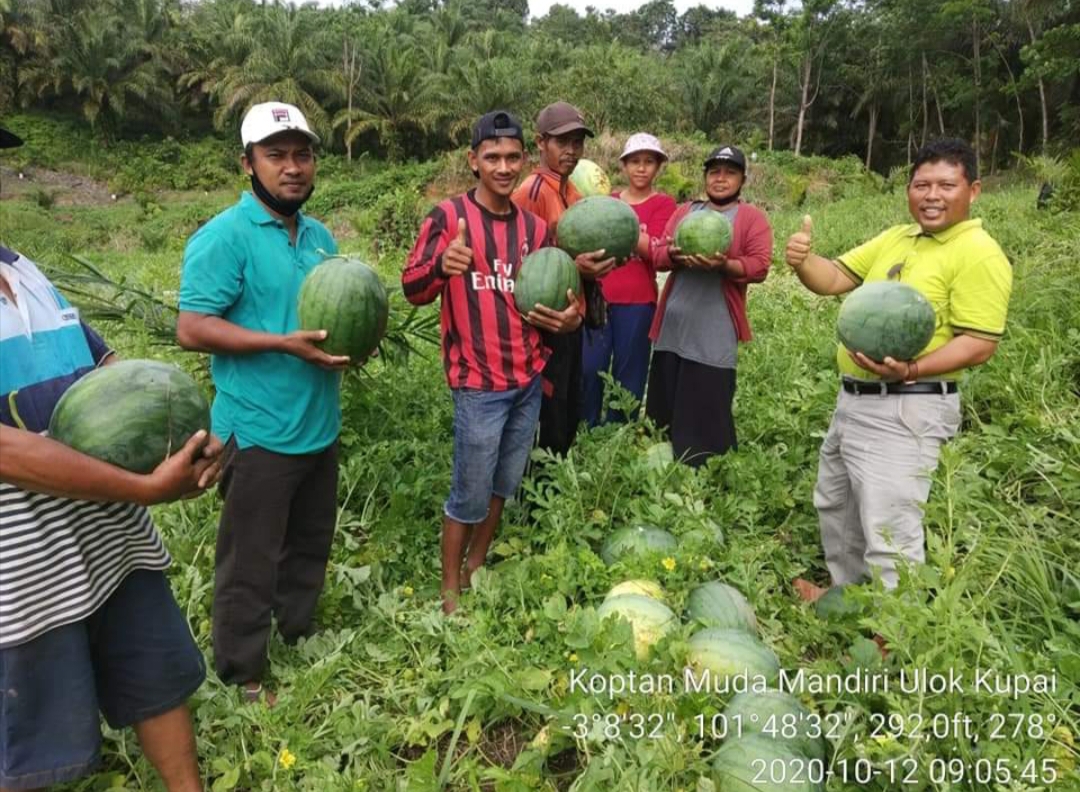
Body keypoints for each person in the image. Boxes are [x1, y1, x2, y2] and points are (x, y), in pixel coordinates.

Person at [0, 124, 222, 791]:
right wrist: (144, 489)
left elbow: (105, 364)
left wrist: (176, 430)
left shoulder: (23, 269)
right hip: (22, 566)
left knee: (155, 679)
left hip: (110, 541)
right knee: (33, 740)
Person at [177, 102, 352, 704]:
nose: (292, 167)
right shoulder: (224, 237)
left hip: (317, 425)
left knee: (309, 542)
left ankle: (297, 631)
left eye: (302, 154)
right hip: (254, 433)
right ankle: (242, 672)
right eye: (276, 155)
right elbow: (193, 327)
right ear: (248, 163)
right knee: (249, 562)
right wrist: (280, 342)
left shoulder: (322, 237)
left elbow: (334, 314)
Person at [785, 138, 1012, 597]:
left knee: (891, 523)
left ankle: (893, 636)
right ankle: (844, 596)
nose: (932, 195)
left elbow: (979, 343)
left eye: (946, 185)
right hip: (855, 398)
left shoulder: (979, 252)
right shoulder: (896, 237)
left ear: (974, 191)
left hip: (908, 407)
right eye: (921, 184)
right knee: (839, 503)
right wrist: (803, 261)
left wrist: (911, 369)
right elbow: (832, 280)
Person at [403, 110, 582, 613]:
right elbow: (411, 287)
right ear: (473, 161)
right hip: (478, 384)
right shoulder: (447, 218)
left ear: (524, 159)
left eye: (511, 157)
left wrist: (569, 319)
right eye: (492, 157)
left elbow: (560, 300)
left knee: (505, 481)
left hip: (529, 377)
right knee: (470, 491)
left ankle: (478, 562)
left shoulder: (536, 229)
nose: (503, 167)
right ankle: (449, 587)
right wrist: (441, 266)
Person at [647, 145, 773, 466]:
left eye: (729, 172)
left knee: (707, 404)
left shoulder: (751, 218)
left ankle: (704, 472)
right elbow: (659, 255)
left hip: (714, 329)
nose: (720, 178)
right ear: (705, 176)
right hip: (673, 327)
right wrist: (674, 255)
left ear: (742, 179)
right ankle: (665, 467)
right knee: (667, 404)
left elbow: (759, 266)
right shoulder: (685, 212)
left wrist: (724, 265)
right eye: (714, 172)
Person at [511, 101, 615, 454]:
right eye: (561, 142)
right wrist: (578, 267)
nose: (571, 151)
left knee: (570, 406)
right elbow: (524, 266)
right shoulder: (531, 192)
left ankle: (557, 478)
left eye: (577, 142)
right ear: (540, 143)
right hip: (545, 326)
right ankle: (537, 493)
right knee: (549, 415)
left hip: (570, 321)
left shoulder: (572, 192)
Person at [582, 133, 676, 425]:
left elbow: (658, 251)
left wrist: (624, 229)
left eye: (649, 162)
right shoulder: (607, 201)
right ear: (623, 165)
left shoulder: (663, 204)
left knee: (629, 372)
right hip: (599, 297)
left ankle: (618, 431)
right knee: (589, 368)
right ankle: (587, 427)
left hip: (639, 301)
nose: (641, 168)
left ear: (658, 166)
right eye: (635, 161)